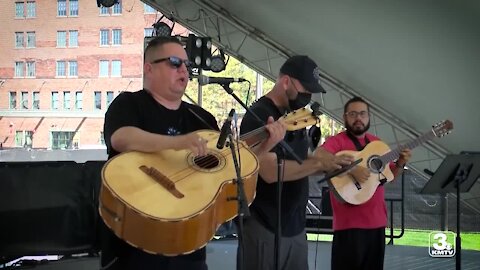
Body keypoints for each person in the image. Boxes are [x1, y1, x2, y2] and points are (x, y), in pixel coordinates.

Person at [101, 36, 286, 270]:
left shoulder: (202, 118)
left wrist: (266, 145)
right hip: (134, 245)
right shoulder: (128, 103)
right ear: (149, 68)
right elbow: (121, 138)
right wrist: (177, 142)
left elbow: (227, 168)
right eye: (175, 62)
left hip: (189, 247)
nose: (184, 70)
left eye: (187, 66)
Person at [239, 55, 353, 270]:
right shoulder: (259, 115)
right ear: (285, 82)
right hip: (265, 224)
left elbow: (299, 159)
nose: (307, 96)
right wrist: (319, 165)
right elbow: (269, 171)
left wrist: (331, 162)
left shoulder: (295, 116)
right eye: (305, 89)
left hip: (296, 226)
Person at [320, 96, 412, 270]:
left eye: (362, 114)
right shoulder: (338, 141)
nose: (358, 118)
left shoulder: (377, 144)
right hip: (348, 225)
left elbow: (389, 175)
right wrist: (351, 169)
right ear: (345, 117)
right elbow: (320, 156)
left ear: (369, 117)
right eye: (353, 114)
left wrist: (400, 163)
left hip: (377, 223)